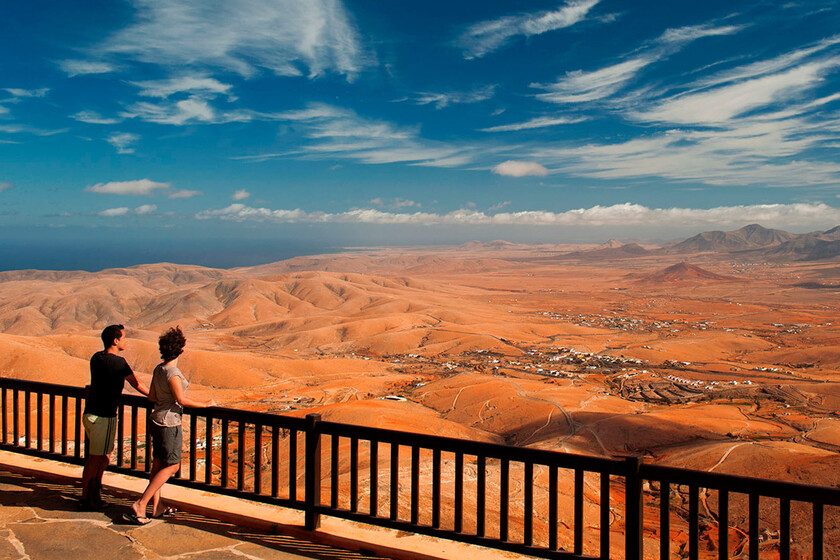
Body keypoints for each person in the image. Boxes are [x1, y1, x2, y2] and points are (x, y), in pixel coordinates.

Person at [124, 326, 214, 525]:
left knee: (157, 465)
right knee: (172, 466)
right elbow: (181, 400)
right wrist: (205, 405)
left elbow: (152, 396)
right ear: (180, 349)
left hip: (155, 419)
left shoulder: (159, 369)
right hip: (169, 423)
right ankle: (141, 504)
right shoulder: (173, 372)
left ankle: (156, 507)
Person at [81, 324, 149, 509]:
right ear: (115, 340)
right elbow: (136, 383)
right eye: (124, 338)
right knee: (99, 458)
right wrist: (153, 396)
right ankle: (90, 498)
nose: (126, 341)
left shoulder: (96, 358)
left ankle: (89, 494)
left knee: (94, 458)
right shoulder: (119, 363)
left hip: (90, 414)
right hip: (104, 417)